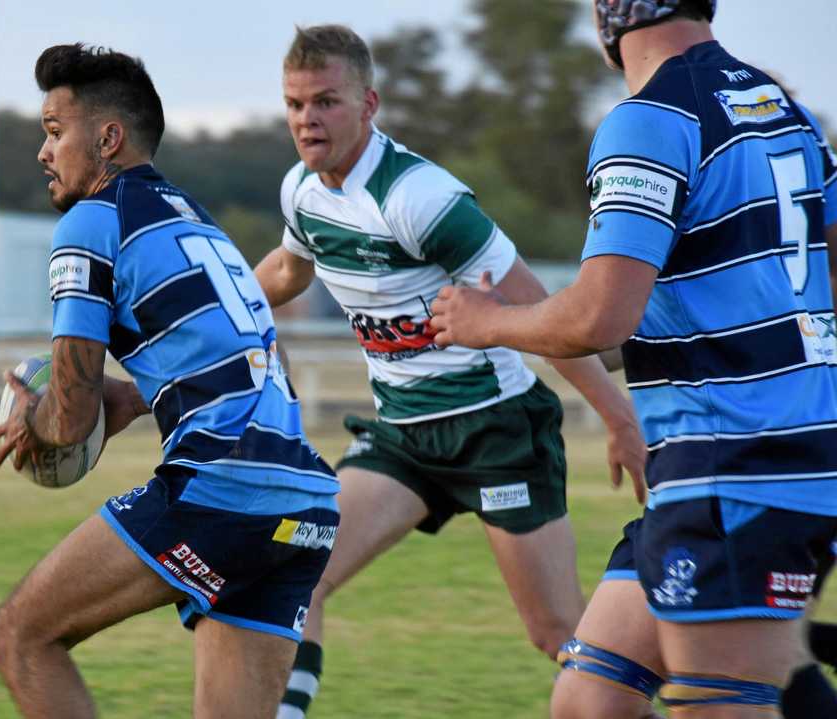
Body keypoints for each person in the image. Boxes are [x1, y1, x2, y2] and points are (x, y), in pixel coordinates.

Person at [429, 1, 837, 716]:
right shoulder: (783, 110)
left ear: (607, 19)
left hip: (732, 465)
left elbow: (597, 316)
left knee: (720, 701)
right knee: (591, 697)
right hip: (770, 457)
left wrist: (489, 322)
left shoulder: (650, 120)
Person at [253, 25, 647, 719]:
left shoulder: (421, 199)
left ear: (369, 103)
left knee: (557, 633)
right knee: (294, 573)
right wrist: (212, 306)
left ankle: (692, 687)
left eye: (326, 102)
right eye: (294, 105)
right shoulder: (303, 194)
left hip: (497, 433)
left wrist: (618, 417)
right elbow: (286, 271)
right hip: (404, 436)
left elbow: (543, 316)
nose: (307, 120)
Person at [0, 44, 340, 719]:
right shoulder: (199, 224)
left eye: (56, 131)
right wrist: (132, 396)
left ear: (109, 138)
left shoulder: (90, 222)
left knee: (22, 636)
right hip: (306, 503)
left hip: (219, 493)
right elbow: (259, 360)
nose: (43, 151)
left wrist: (36, 422)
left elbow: (64, 418)